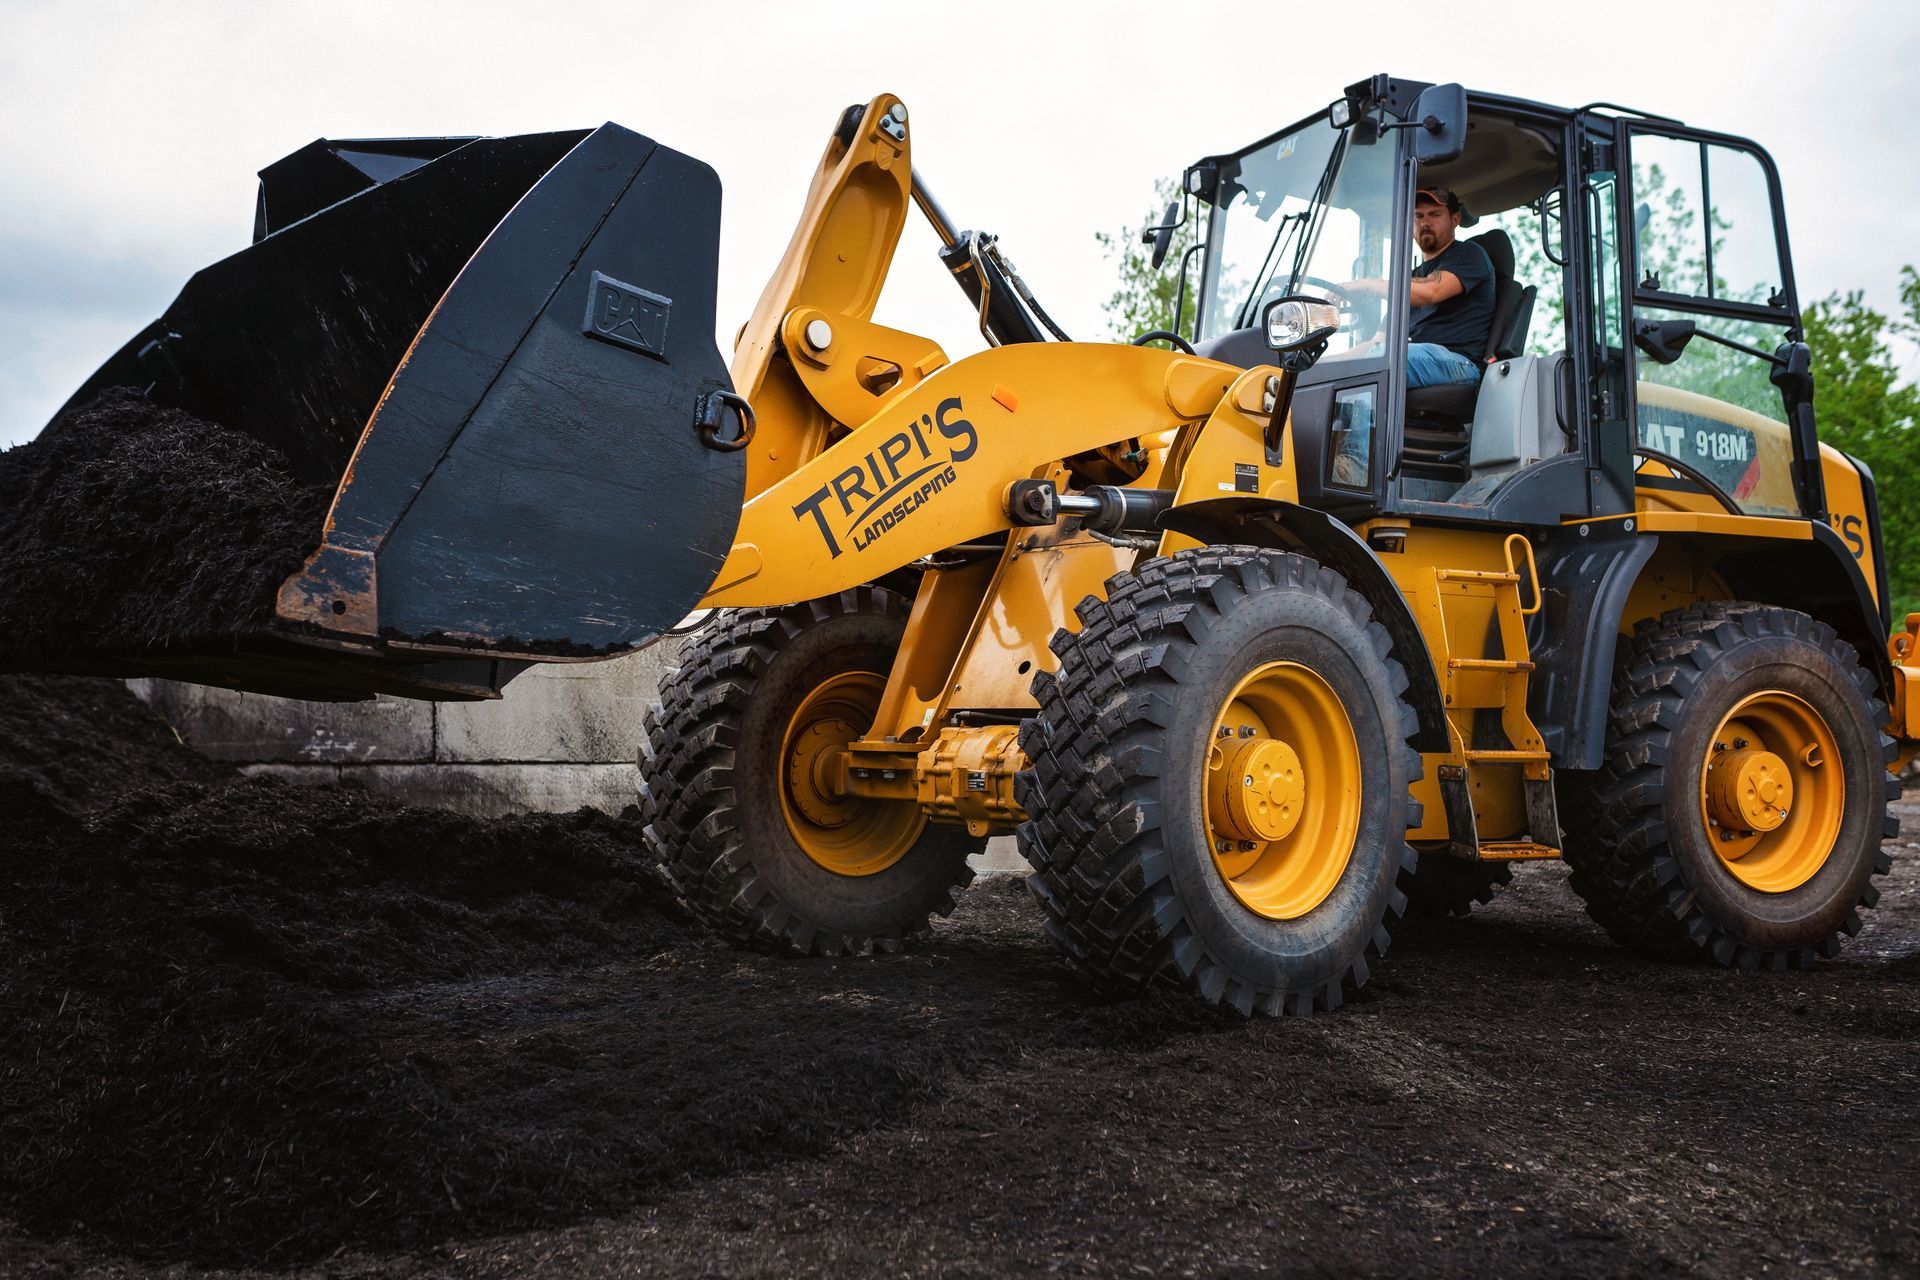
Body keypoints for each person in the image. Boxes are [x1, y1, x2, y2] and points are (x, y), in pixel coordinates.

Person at [1327, 187, 1495, 484]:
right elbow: (1375, 344)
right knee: (1355, 368)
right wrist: (1320, 366)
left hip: (1459, 365)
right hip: (1416, 360)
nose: (1425, 222)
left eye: (1434, 214)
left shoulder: (1469, 256)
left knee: (1382, 362)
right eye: (1418, 216)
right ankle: (1329, 459)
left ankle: (1355, 469)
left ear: (1455, 219)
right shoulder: (1411, 278)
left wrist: (1363, 284)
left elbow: (1432, 291)